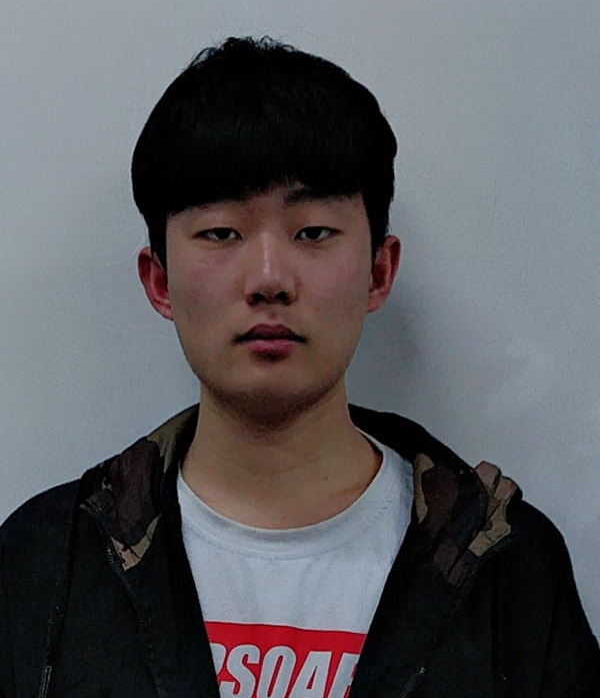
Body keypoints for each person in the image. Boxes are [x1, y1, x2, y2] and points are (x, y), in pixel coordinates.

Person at [0, 37, 598, 698]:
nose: (269, 280)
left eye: (312, 232)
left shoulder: (508, 568)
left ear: (379, 272)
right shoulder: (47, 561)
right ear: (159, 280)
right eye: (221, 232)